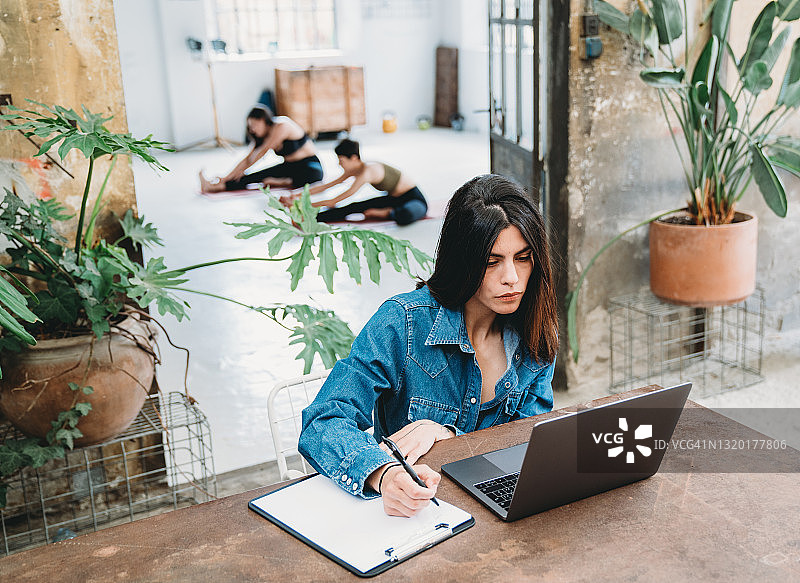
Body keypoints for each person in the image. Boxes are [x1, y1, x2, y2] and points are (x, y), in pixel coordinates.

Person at [298, 174, 558, 517]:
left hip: (499, 517)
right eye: (492, 262)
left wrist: (448, 434)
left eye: (522, 258)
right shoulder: (403, 323)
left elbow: (527, 443)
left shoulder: (534, 333)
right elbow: (323, 421)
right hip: (417, 515)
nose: (511, 277)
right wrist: (384, 473)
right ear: (462, 261)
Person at [279, 138, 428, 225]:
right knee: (352, 207)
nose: (339, 164)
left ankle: (388, 213)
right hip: (392, 199)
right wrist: (296, 195)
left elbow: (333, 201)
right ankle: (310, 219)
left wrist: (301, 205)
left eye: (341, 160)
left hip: (413, 199)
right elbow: (326, 186)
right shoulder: (354, 169)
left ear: (354, 158)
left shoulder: (368, 170)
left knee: (405, 215)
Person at [199, 105, 323, 192]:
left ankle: (285, 181)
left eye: (254, 125)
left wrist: (242, 171)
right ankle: (214, 186)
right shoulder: (262, 136)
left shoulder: (282, 126)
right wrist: (227, 177)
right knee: (252, 176)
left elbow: (263, 152)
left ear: (264, 120)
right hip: (289, 166)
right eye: (249, 126)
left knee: (313, 175)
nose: (252, 129)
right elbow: (248, 159)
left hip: (309, 165)